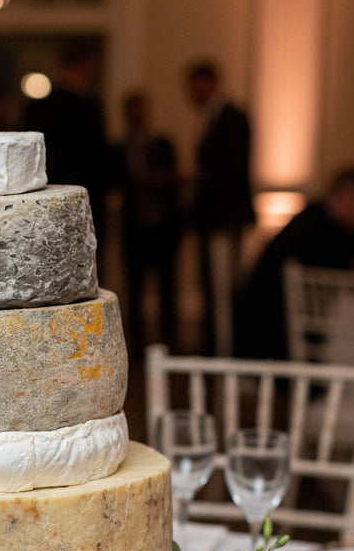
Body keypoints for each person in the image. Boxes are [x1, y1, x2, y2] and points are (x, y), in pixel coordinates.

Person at [235, 166, 354, 360]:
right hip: (272, 333)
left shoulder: (318, 219)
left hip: (271, 327)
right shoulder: (319, 229)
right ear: (348, 197)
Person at [185, 59, 255, 355]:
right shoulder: (214, 117)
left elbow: (233, 170)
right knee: (214, 287)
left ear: (207, 82)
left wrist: (201, 175)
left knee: (225, 287)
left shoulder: (233, 117)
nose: (191, 94)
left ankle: (227, 348)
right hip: (213, 219)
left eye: (193, 87)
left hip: (225, 220)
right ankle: (217, 346)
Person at [23, 44, 108, 267]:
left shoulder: (38, 108)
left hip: (45, 198)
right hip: (83, 198)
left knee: (46, 261)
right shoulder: (90, 108)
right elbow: (98, 159)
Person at [110, 90, 182, 351]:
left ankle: (170, 340)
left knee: (168, 285)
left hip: (163, 227)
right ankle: (137, 343)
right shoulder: (118, 149)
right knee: (135, 288)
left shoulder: (163, 144)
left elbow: (176, 178)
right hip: (134, 229)